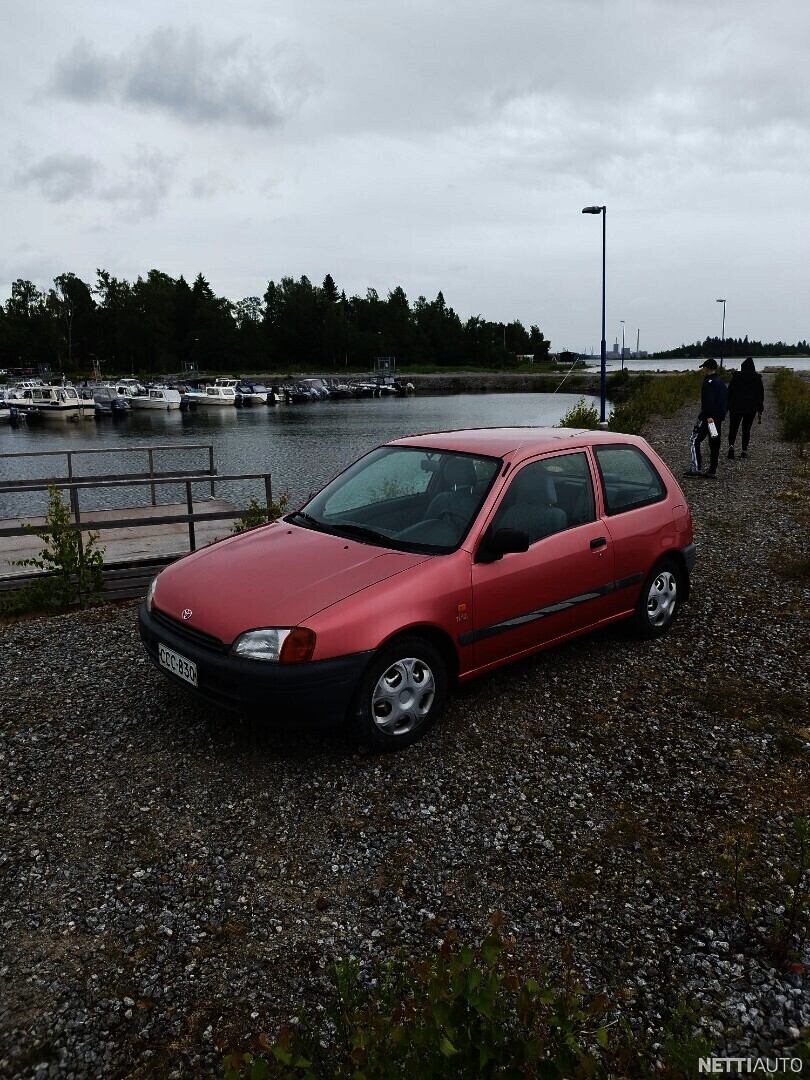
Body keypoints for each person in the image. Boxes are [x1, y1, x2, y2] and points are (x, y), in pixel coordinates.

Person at [685, 358, 728, 478]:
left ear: (707, 368)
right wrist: (721, 416)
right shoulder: (720, 382)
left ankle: (696, 468)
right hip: (717, 419)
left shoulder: (709, 382)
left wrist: (709, 416)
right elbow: (725, 400)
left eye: (704, 367)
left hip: (708, 418)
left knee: (694, 440)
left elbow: (709, 401)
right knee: (714, 443)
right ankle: (712, 471)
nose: (703, 369)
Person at [726, 356, 764, 459]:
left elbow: (729, 392)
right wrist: (760, 409)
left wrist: (726, 405)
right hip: (751, 408)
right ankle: (744, 450)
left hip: (735, 407)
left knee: (733, 428)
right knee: (746, 429)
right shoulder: (757, 378)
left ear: (742, 366)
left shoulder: (735, 377)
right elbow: (760, 395)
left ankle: (731, 447)